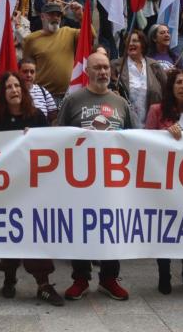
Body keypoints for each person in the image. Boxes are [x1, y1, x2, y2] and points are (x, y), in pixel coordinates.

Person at [0, 71, 63, 305]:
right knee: (8, 232)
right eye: (9, 87)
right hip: (4, 187)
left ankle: (43, 284)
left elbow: (48, 147)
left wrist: (37, 137)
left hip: (31, 187)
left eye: (17, 86)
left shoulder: (36, 116)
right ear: (2, 93)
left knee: (34, 233)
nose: (14, 90)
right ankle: (9, 277)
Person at [57, 52, 131, 301]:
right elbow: (58, 137)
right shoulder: (73, 100)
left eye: (106, 67)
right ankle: (80, 278)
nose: (103, 72)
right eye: (97, 67)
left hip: (113, 181)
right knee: (81, 226)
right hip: (80, 180)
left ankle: (109, 278)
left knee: (112, 226)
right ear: (87, 71)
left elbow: (133, 140)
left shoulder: (121, 103)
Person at [144, 68, 183, 294]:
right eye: (179, 82)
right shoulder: (157, 111)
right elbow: (146, 142)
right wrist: (164, 133)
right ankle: (164, 274)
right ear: (171, 88)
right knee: (164, 228)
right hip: (164, 180)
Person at [22, 1, 84, 98]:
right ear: (42, 16)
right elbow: (26, 67)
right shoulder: (31, 40)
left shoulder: (69, 32)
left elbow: (90, 36)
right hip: (43, 97)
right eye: (51, 14)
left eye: (58, 15)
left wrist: (81, 17)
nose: (55, 18)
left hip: (68, 95)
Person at [111, 29, 165, 129]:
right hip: (126, 125)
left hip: (153, 126)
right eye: (128, 41)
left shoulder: (155, 66)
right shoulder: (115, 66)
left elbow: (167, 92)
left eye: (135, 41)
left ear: (143, 44)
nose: (131, 43)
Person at [19, 58, 57, 124]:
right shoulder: (14, 92)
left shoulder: (43, 91)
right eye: (25, 71)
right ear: (18, 72)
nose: (29, 75)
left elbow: (54, 117)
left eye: (32, 72)